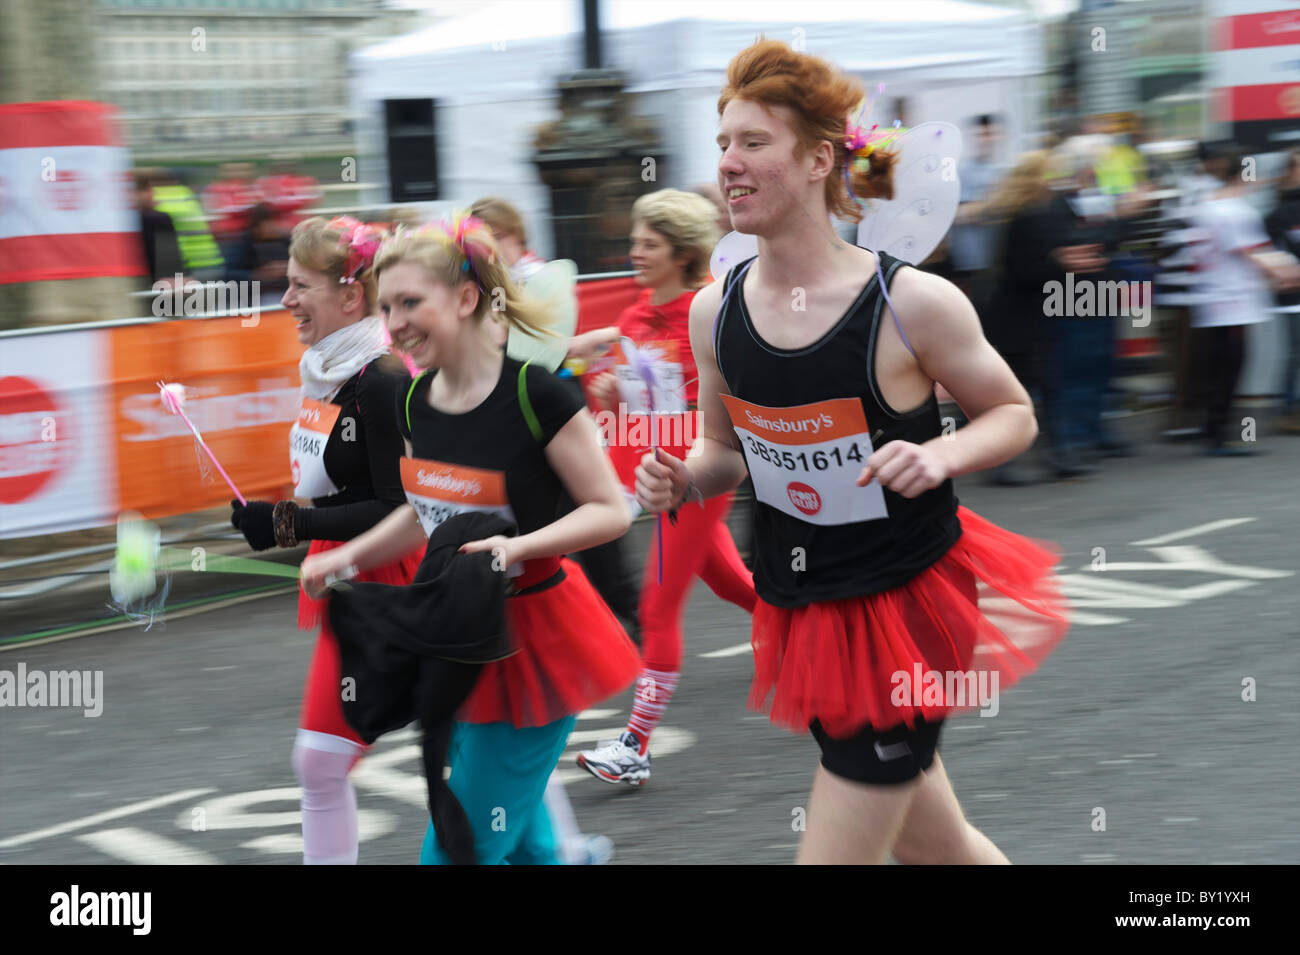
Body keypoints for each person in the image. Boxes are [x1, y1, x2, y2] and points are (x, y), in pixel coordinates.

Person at [635, 39, 1070, 864]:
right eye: (723, 143)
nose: (728, 163)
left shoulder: (910, 303)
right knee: (938, 849)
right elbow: (725, 451)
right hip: (808, 607)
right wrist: (682, 476)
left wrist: (940, 456)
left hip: (908, 606)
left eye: (753, 142)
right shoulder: (713, 313)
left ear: (818, 159)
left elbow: (1012, 413)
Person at [300, 215, 641, 865]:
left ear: (464, 297)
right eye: (388, 306)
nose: (395, 322)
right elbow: (424, 510)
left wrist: (518, 546)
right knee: (531, 849)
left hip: (536, 641)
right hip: (459, 636)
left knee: (458, 850)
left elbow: (609, 510)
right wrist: (347, 555)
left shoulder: (536, 394)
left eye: (411, 302)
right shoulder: (414, 401)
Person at [228, 215, 421, 864]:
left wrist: (289, 523)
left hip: (412, 582)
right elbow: (329, 488)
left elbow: (398, 506)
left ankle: (557, 848)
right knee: (319, 763)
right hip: (352, 583)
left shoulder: (384, 379)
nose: (285, 301)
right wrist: (285, 518)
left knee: (483, 741)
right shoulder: (328, 372)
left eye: (299, 286)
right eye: (286, 285)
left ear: (350, 296)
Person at [574, 189, 757, 786]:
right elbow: (632, 391)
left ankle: (635, 745)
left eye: (647, 244)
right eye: (634, 242)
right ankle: (820, 630)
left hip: (700, 476)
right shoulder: (635, 315)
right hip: (656, 478)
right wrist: (607, 392)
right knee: (736, 586)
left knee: (657, 606)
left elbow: (724, 399)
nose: (634, 252)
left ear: (680, 252)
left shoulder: (708, 312)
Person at [1187, 147, 1300, 455]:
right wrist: (1287, 272)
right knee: (1229, 371)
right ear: (1242, 175)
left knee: (1217, 369)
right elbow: (1253, 253)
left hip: (1212, 301)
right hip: (1233, 303)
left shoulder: (1206, 207)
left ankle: (1212, 430)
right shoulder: (1237, 211)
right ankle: (1218, 436)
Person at [981, 150, 1055, 485]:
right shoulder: (1028, 216)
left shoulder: (1015, 213)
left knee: (1017, 388)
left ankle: (1011, 459)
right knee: (1018, 390)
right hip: (1018, 318)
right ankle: (1003, 462)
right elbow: (1026, 271)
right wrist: (1061, 263)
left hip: (1010, 314)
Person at [1264, 148, 1300, 434]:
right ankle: (1288, 408)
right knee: (1295, 353)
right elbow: (1274, 255)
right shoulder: (1278, 213)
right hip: (1292, 296)